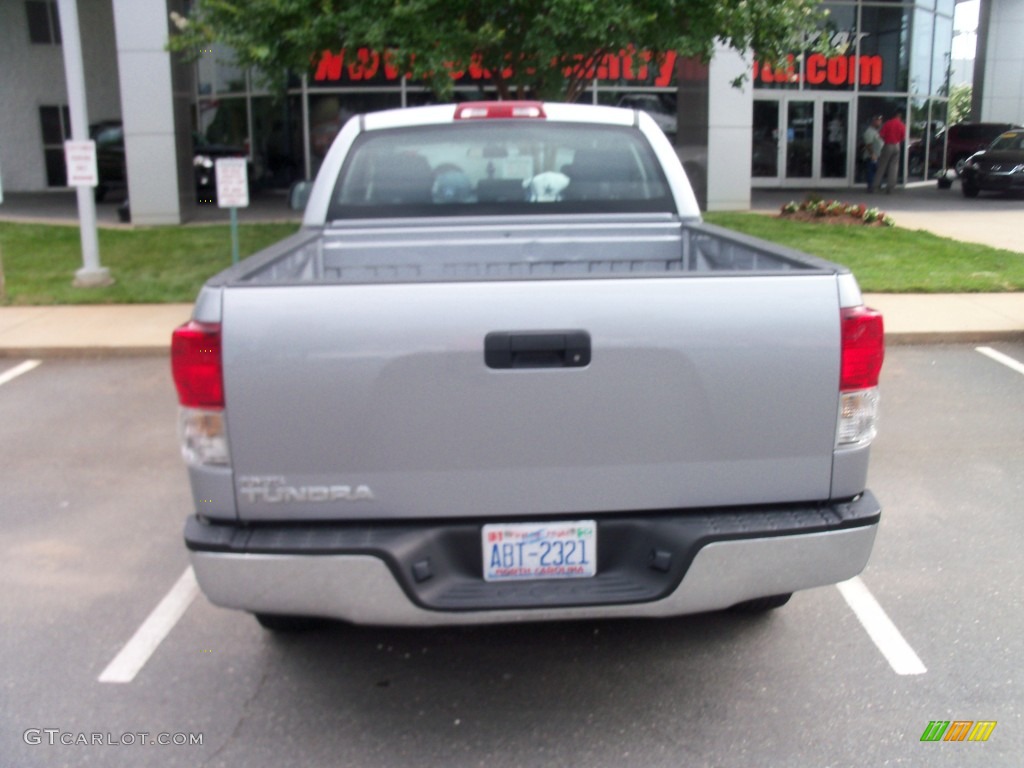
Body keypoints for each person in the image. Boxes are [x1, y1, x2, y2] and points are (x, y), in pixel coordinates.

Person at [876, 111, 906, 194]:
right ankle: (890, 188)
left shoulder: (888, 123)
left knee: (882, 165)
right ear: (899, 117)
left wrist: (885, 141)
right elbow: (903, 138)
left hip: (888, 144)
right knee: (894, 167)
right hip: (897, 145)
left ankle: (876, 185)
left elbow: (881, 135)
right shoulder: (902, 125)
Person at [862, 115, 884, 193]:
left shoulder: (876, 131)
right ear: (874, 121)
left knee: (877, 172)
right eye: (878, 120)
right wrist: (872, 154)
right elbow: (868, 144)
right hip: (871, 156)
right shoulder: (869, 131)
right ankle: (871, 188)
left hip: (878, 155)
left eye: (880, 120)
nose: (880, 122)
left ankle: (877, 186)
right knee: (871, 172)